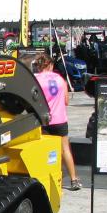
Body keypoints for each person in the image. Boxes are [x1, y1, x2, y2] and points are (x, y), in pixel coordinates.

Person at [33, 53, 81, 190]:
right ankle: (74, 179)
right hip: (60, 120)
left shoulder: (36, 79)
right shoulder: (60, 79)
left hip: (43, 121)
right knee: (65, 149)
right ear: (50, 65)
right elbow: (66, 101)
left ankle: (46, 180)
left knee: (45, 151)